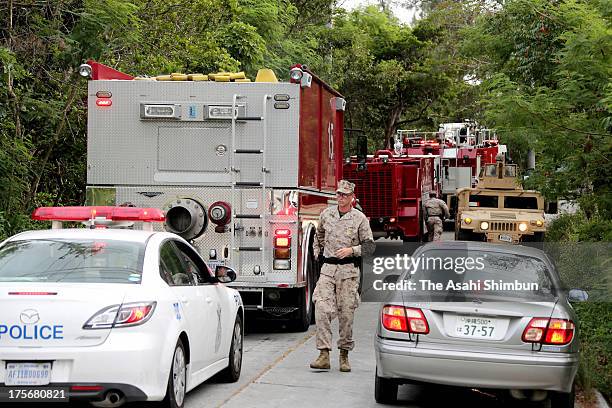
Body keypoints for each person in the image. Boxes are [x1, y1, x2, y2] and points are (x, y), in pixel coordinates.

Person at [310, 180, 375, 372]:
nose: (341, 197)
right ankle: (323, 354)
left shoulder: (359, 218)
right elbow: (319, 234)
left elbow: (370, 246)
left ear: (352, 197)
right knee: (321, 307)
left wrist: (352, 250)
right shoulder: (326, 214)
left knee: (346, 314)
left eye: (345, 195)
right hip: (328, 270)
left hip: (348, 272)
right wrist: (318, 252)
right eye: (339, 194)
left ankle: (344, 354)